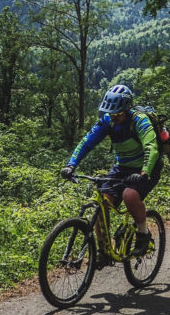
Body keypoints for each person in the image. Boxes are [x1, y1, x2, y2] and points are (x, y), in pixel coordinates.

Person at [61, 84, 163, 258]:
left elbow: (151, 148)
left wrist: (143, 173)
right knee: (102, 202)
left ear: (127, 109)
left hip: (147, 167)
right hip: (122, 167)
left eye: (117, 114)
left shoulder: (140, 121)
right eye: (111, 114)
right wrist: (71, 165)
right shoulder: (107, 121)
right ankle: (103, 250)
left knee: (129, 195)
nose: (113, 118)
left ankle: (143, 234)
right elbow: (86, 142)